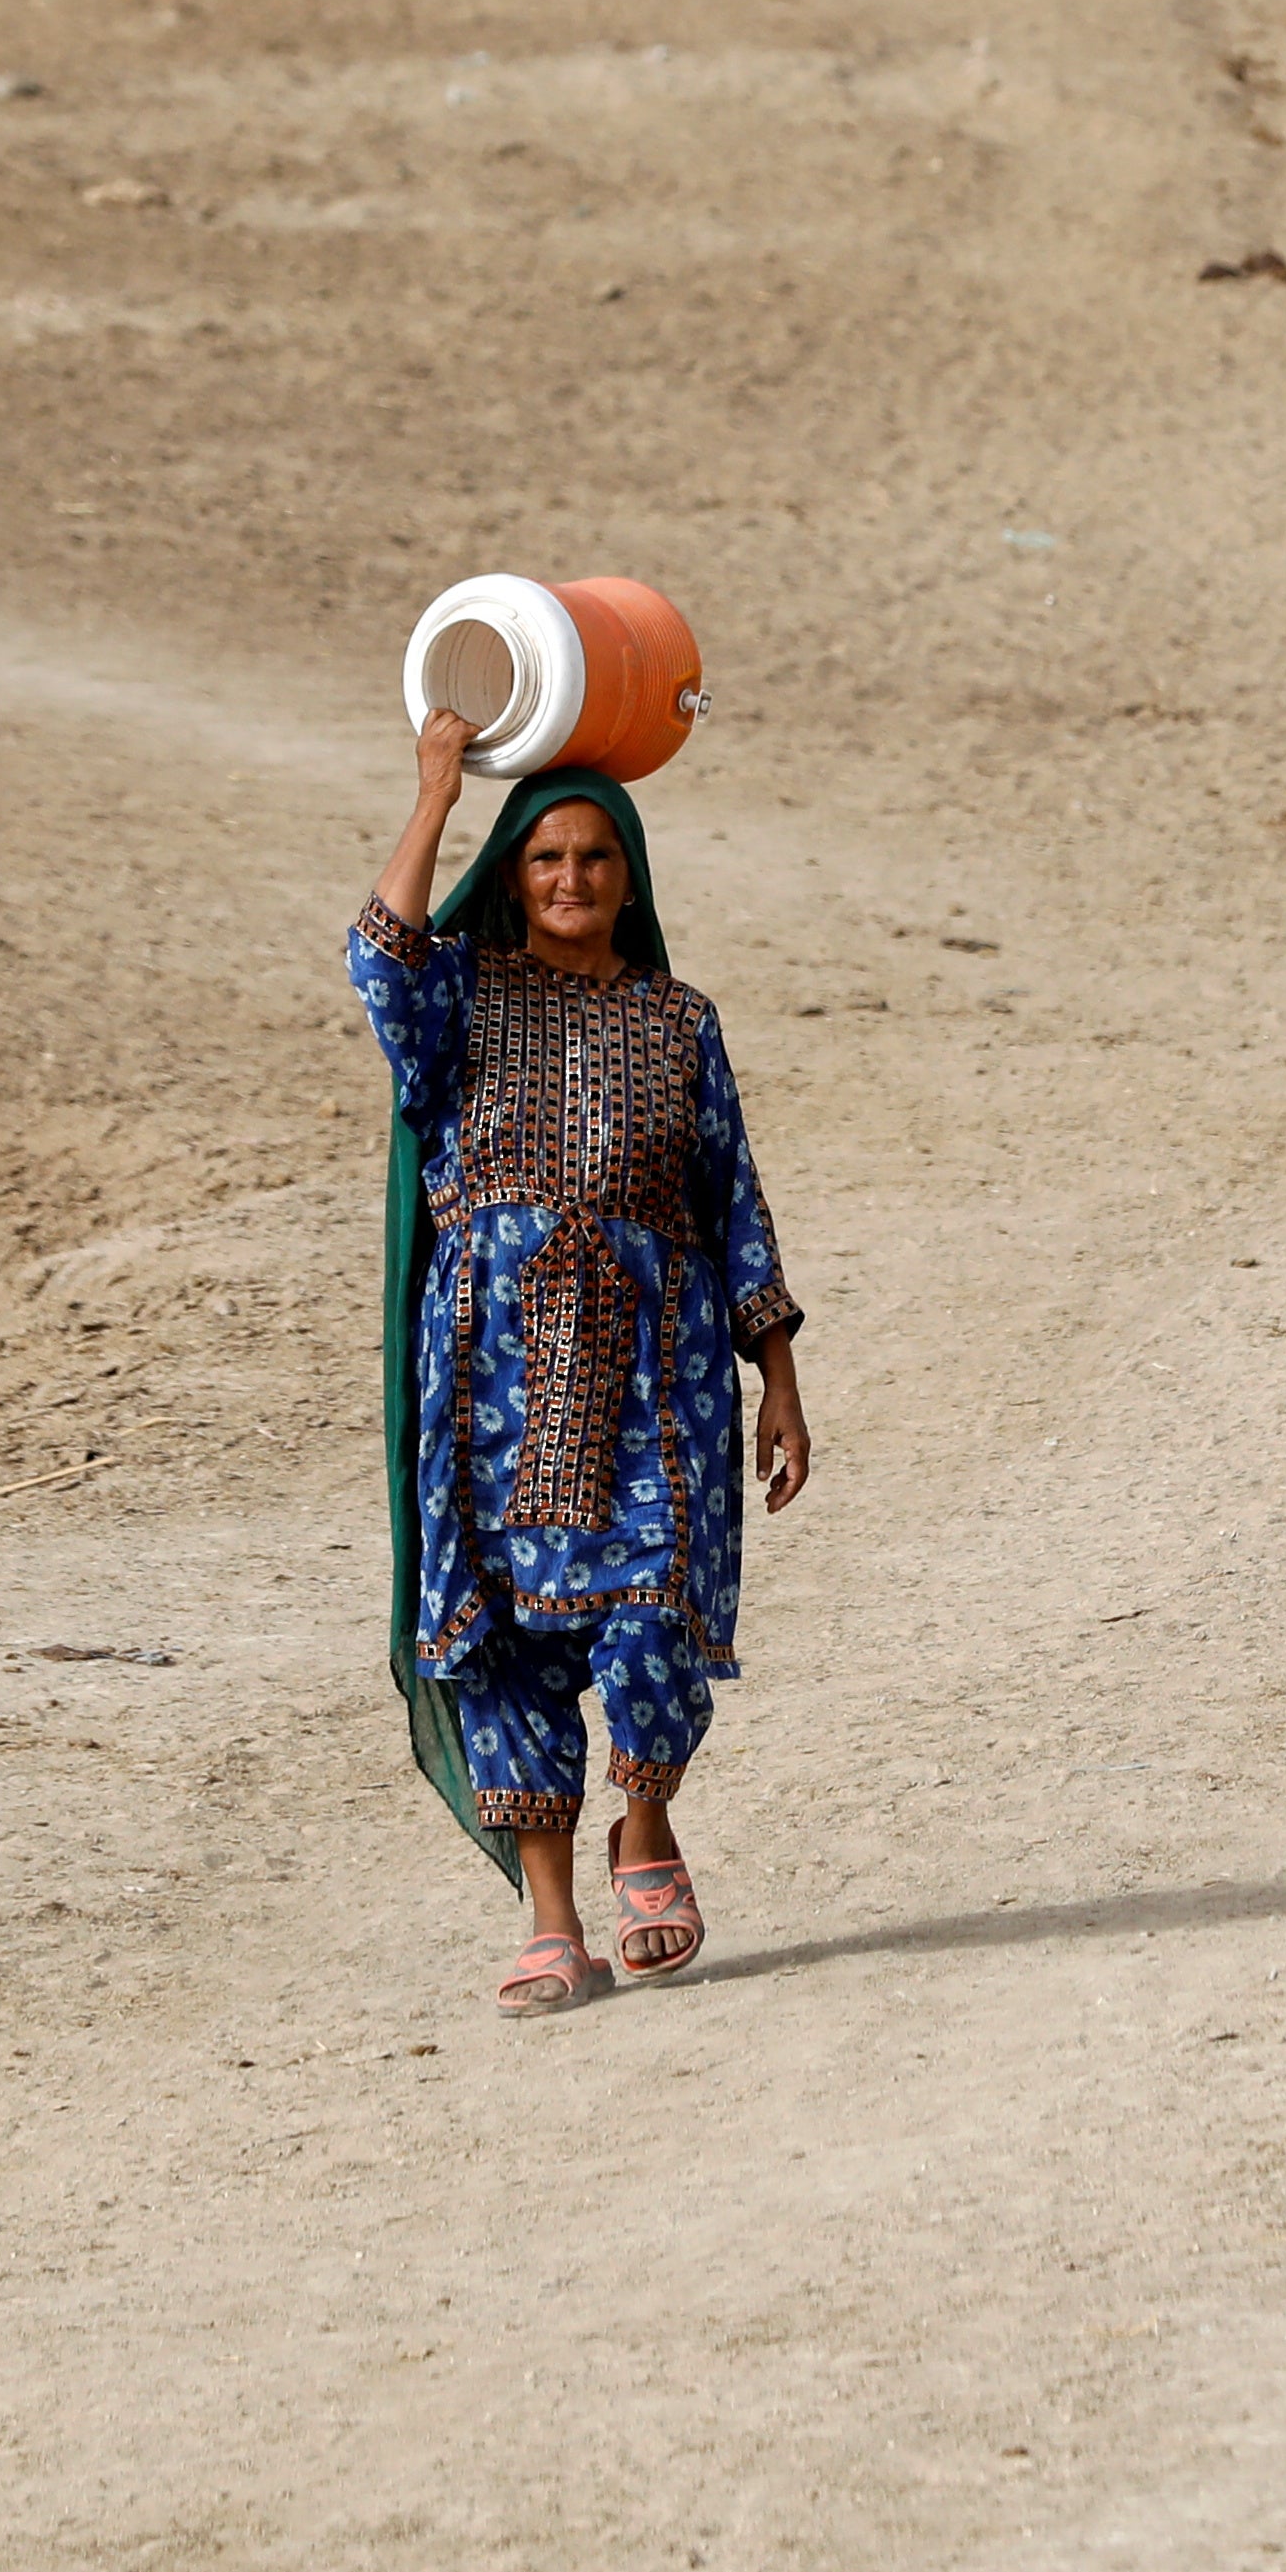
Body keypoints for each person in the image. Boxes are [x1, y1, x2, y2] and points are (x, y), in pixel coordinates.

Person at [350, 711, 812, 2015]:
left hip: (655, 1371)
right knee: (503, 1640)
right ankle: (551, 1916)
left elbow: (734, 1205)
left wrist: (774, 1372)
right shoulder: (459, 998)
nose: (569, 878)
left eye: (595, 858)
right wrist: (438, 790)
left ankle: (646, 1823)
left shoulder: (679, 1023)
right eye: (546, 856)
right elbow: (379, 955)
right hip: (489, 1376)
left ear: (630, 875)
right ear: (514, 869)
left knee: (656, 1604)